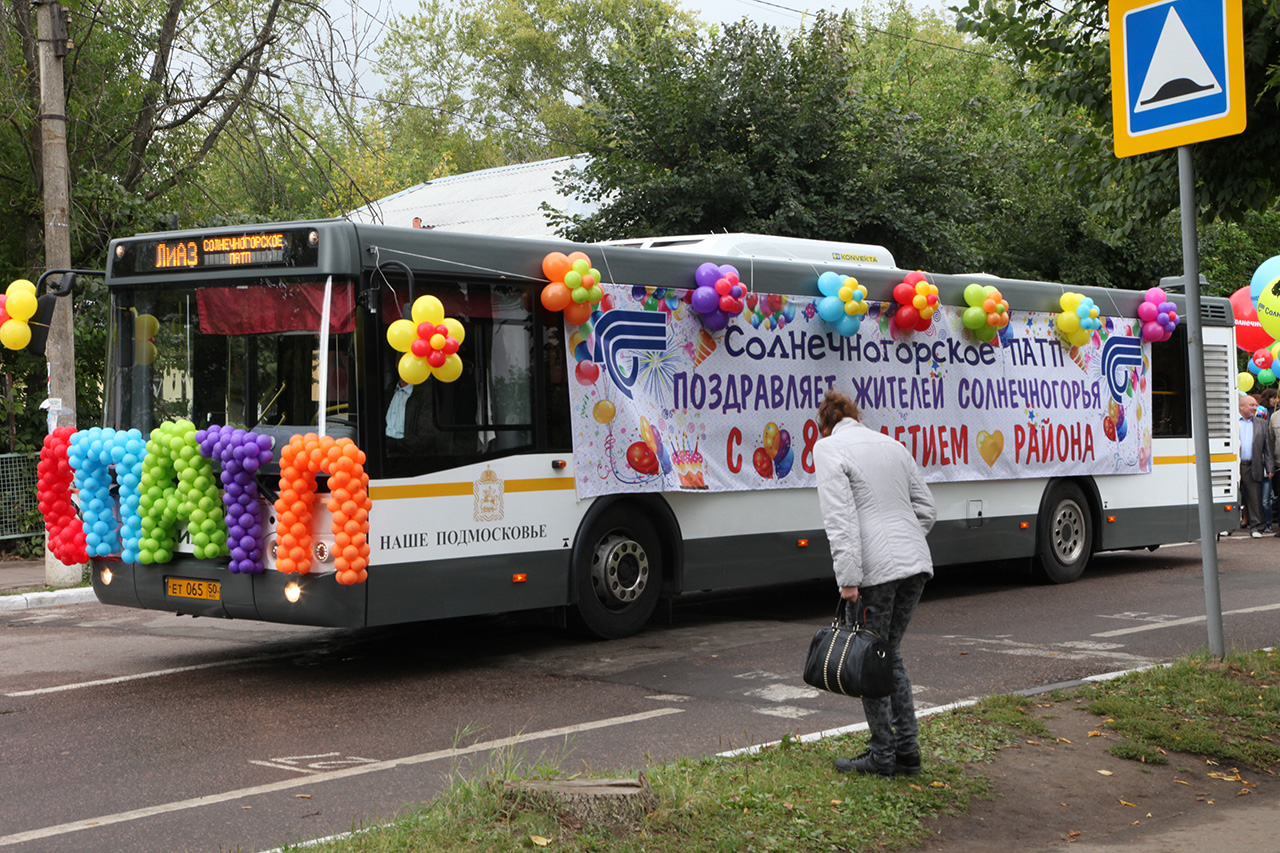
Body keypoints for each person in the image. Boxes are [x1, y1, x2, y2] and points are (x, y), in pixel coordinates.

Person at [813, 390, 936, 778]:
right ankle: (907, 751)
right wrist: (903, 544)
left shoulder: (828, 448)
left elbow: (840, 518)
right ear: (856, 416)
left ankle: (883, 755)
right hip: (916, 565)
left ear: (825, 425)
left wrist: (848, 578)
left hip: (874, 573)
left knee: (870, 660)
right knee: (889, 654)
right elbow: (927, 509)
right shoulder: (893, 445)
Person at [1237, 393, 1274, 539]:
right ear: (1241, 406)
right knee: (1233, 497)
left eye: (1256, 405)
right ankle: (1228, 526)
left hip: (1253, 465)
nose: (1255, 408)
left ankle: (1256, 527)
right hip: (1235, 465)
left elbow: (1268, 448)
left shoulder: (1262, 424)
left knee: (1255, 498)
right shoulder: (1232, 422)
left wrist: (1270, 468)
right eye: (1252, 405)